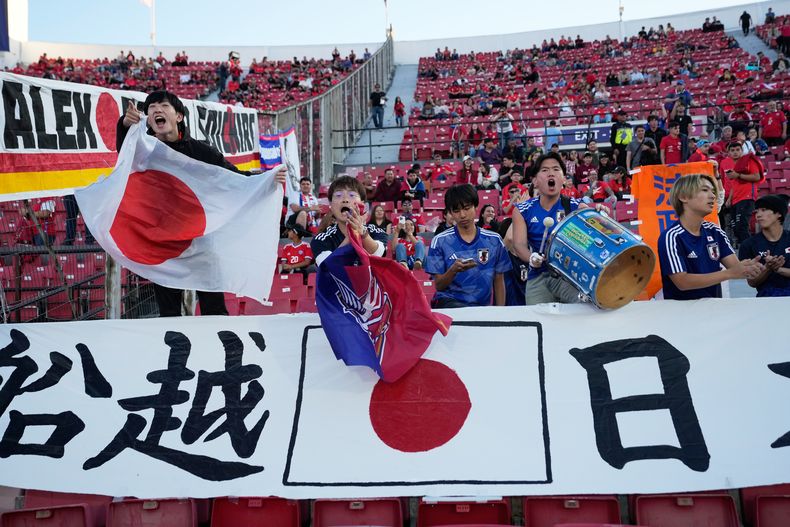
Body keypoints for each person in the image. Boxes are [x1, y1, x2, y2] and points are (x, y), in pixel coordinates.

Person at [118, 90, 287, 317]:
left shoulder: (201, 152)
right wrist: (125, 126)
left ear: (179, 116)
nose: (157, 110)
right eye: (151, 108)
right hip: (163, 243)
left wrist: (265, 181)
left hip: (201, 240)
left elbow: (233, 179)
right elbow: (124, 153)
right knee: (168, 311)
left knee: (213, 308)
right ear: (147, 118)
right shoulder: (144, 150)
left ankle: (220, 350)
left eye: (164, 106)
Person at [658, 173, 762, 300]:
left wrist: (749, 267)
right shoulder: (671, 237)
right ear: (683, 197)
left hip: (713, 310)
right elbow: (682, 282)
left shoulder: (715, 231)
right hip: (682, 314)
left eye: (713, 191)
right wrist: (729, 273)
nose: (713, 196)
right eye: (705, 190)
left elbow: (735, 268)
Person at [511, 152, 584, 305]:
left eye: (556, 169)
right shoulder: (522, 210)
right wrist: (531, 258)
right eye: (544, 170)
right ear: (535, 181)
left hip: (570, 278)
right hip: (538, 278)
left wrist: (598, 214)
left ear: (563, 179)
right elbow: (519, 245)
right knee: (538, 324)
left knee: (582, 317)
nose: (551, 173)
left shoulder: (577, 207)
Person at [425, 184, 511, 308]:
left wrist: (500, 312)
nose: (462, 215)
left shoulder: (494, 240)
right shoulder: (439, 241)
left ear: (476, 206)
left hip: (482, 309)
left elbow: (499, 279)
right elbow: (439, 285)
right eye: (456, 211)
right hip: (449, 305)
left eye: (466, 208)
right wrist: (453, 271)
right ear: (450, 213)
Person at [311, 176, 388, 266]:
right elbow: (328, 266)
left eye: (352, 195)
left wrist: (363, 233)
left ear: (362, 203)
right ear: (331, 205)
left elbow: (378, 254)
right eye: (338, 195)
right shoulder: (321, 239)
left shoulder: (374, 230)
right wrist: (351, 234)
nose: (345, 200)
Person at [738, 194, 790, 296]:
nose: (758, 215)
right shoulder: (748, 245)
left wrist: (778, 269)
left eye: (764, 210)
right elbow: (752, 282)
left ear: (778, 214)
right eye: (757, 211)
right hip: (766, 300)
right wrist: (767, 268)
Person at [724, 141, 765, 246]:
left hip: (746, 197)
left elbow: (757, 177)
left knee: (742, 226)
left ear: (742, 151)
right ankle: (747, 252)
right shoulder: (736, 167)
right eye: (732, 150)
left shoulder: (749, 161)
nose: (735, 152)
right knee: (737, 228)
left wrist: (738, 175)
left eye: (738, 150)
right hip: (736, 199)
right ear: (728, 153)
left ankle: (752, 253)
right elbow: (734, 185)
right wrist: (729, 199)